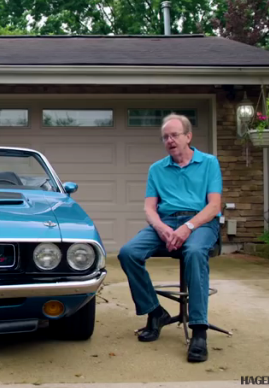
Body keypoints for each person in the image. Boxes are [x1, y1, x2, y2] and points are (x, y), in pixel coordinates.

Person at [117, 113, 222, 363]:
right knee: (128, 253)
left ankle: (199, 330)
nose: (169, 140)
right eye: (165, 137)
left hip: (200, 223)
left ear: (188, 136)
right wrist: (162, 228)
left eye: (174, 135)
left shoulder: (209, 163)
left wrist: (187, 227)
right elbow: (149, 208)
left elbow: (214, 206)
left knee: (195, 252)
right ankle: (155, 312)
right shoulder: (157, 169)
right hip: (164, 223)